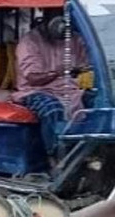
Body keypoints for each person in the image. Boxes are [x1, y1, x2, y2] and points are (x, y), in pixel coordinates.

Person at [13, 12, 88, 156]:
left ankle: (88, 153)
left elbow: (87, 64)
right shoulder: (30, 41)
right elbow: (33, 78)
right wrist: (58, 72)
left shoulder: (75, 38)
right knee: (52, 109)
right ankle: (55, 157)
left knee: (98, 102)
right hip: (36, 91)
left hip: (71, 91)